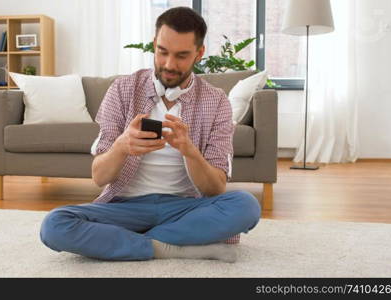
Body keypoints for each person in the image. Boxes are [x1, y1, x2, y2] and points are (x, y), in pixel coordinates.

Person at [40, 7, 260, 262]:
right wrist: (122, 146)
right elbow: (99, 177)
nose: (169, 64)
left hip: (185, 209)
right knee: (55, 224)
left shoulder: (217, 101)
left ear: (199, 54)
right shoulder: (122, 89)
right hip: (124, 206)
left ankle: (125, 242)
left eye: (181, 56)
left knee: (246, 206)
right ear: (154, 44)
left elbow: (215, 188)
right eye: (162, 52)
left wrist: (190, 151)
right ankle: (171, 246)